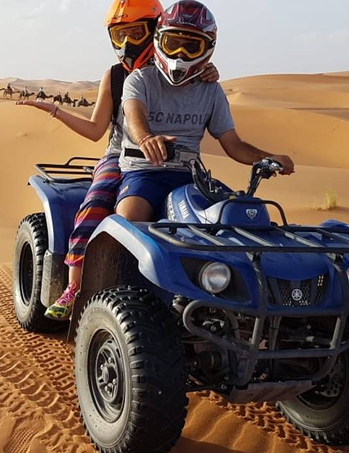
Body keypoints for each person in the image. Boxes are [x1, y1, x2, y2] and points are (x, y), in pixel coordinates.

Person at [17, 0, 219, 320]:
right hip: (121, 156)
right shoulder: (114, 76)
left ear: (155, 29)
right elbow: (97, 129)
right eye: (120, 34)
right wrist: (56, 110)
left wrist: (207, 72)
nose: (126, 43)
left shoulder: (182, 68)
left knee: (212, 210)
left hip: (177, 162)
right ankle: (74, 287)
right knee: (96, 202)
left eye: (135, 32)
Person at [116, 0, 294, 225]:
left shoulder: (211, 91)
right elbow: (134, 114)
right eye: (173, 44)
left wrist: (267, 157)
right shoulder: (140, 80)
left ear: (207, 48)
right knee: (129, 220)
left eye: (191, 47)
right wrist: (146, 138)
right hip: (143, 172)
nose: (180, 54)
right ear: (159, 40)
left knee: (244, 216)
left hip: (191, 177)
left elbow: (233, 144)